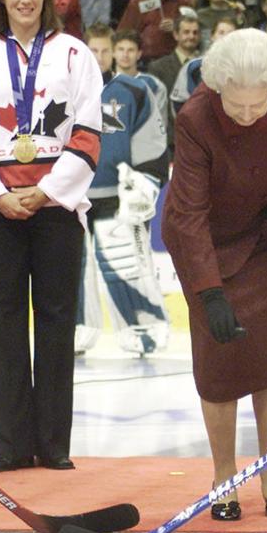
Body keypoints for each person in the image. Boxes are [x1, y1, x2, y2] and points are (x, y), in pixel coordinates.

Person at [161, 27, 267, 522]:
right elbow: (186, 216)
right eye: (237, 106)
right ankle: (224, 475)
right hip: (210, 241)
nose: (249, 116)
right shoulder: (196, 119)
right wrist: (209, 295)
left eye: (258, 105)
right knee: (219, 356)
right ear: (218, 90)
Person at [0, 0, 102, 472]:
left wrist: (46, 192)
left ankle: (54, 446)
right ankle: (12, 448)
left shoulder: (75, 54)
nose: (25, 0)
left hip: (57, 207)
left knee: (57, 323)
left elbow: (87, 132)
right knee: (4, 323)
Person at [75, 23, 170, 356]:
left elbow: (154, 143)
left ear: (114, 51)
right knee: (73, 269)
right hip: (75, 198)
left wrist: (146, 182)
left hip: (118, 197)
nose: (98, 57)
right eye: (92, 50)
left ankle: (143, 330)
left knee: (126, 267)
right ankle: (75, 331)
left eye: (104, 50)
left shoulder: (133, 90)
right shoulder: (66, 89)